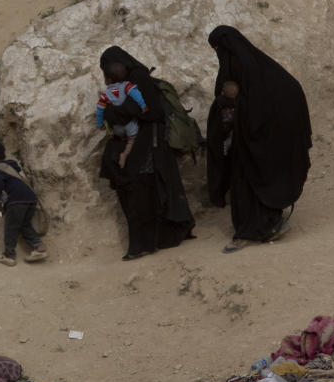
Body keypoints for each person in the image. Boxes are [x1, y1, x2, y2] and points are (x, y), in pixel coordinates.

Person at [205, 25, 312, 253]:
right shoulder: (260, 67)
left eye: (217, 49)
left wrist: (233, 108)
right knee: (258, 178)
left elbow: (253, 105)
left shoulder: (244, 68)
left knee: (246, 182)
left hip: (256, 138)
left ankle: (249, 234)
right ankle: (269, 224)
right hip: (260, 139)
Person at [97, 46, 195, 260]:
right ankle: (145, 243)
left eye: (111, 68)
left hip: (148, 150)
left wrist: (115, 111)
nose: (110, 74)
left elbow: (151, 111)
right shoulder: (122, 84)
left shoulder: (139, 79)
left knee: (144, 196)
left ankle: (144, 244)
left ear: (122, 63)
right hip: (137, 150)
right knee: (140, 196)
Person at [0, 139, 47, 267]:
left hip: (17, 201)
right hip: (31, 199)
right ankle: (39, 247)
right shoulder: (11, 166)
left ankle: (9, 255)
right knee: (24, 225)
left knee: (11, 227)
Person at [95, 60, 149, 168]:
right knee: (132, 139)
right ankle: (124, 155)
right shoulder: (127, 86)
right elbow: (136, 95)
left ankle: (121, 139)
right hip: (130, 125)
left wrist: (100, 124)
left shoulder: (105, 95)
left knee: (116, 130)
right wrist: (143, 106)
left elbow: (100, 109)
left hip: (117, 128)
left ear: (108, 80)